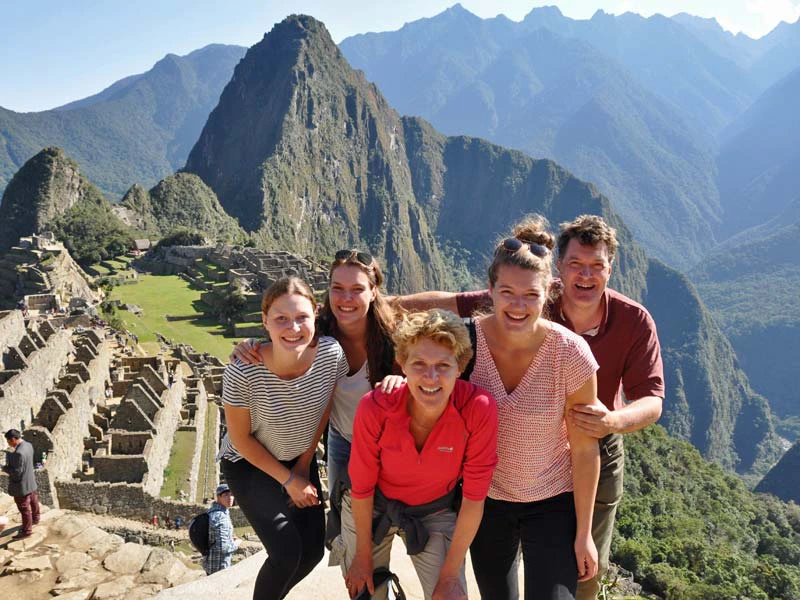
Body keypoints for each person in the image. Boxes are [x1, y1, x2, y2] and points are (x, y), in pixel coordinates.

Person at [398, 214, 664, 599]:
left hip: (553, 502)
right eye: (507, 292)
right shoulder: (466, 344)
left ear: (548, 294)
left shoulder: (572, 354)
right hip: (483, 501)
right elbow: (420, 361)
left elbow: (585, 450)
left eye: (531, 296)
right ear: (490, 290)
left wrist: (584, 534)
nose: (518, 305)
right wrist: (394, 375)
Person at [231, 249, 402, 549]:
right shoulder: (314, 335)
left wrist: (402, 378)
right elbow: (285, 341)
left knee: (392, 518)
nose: (346, 298)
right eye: (337, 289)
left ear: (374, 292)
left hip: (385, 444)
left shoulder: (393, 340)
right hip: (341, 442)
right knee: (347, 525)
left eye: (357, 290)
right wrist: (249, 346)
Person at [345, 309, 498, 600]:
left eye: (443, 365)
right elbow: (362, 488)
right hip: (374, 506)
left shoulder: (477, 408)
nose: (431, 377)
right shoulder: (375, 407)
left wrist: (451, 576)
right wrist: (362, 555)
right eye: (419, 364)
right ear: (401, 364)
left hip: (434, 509)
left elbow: (474, 498)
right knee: (364, 590)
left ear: (460, 366)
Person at [218, 276, 349, 600]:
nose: (293, 328)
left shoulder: (330, 355)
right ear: (265, 321)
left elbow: (325, 408)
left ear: (315, 315)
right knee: (286, 553)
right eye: (281, 319)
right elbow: (241, 438)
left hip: (299, 458)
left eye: (302, 317)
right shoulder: (243, 370)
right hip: (248, 464)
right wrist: (289, 480)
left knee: (313, 553)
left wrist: (303, 466)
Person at [2, 429, 40, 540]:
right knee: (33, 500)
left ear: (13, 439)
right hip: (30, 480)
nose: (9, 444)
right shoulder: (28, 445)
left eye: (9, 441)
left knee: (24, 508)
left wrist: (4, 467)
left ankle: (27, 531)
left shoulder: (19, 453)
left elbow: (17, 473)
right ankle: (36, 518)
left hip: (21, 485)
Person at [203, 483, 239, 575]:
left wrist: (230, 539)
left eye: (232, 494)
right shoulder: (220, 516)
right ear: (218, 497)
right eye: (225, 495)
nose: (230, 497)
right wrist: (236, 543)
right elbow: (223, 547)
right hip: (220, 567)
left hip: (211, 563)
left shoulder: (211, 511)